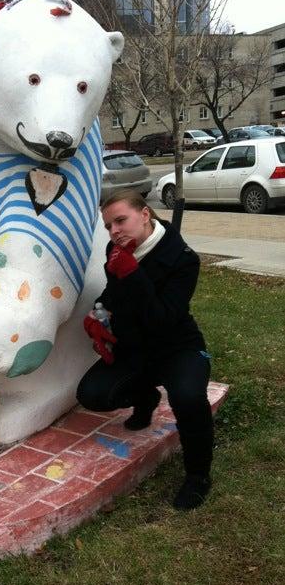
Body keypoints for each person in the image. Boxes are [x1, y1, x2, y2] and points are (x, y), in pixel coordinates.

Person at [77, 190, 214, 510]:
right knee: (92, 394)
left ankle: (198, 477)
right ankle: (147, 397)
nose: (114, 232)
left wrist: (133, 274)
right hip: (134, 348)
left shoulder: (183, 258)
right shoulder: (117, 249)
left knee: (188, 398)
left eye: (121, 220)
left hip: (177, 347)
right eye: (109, 225)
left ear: (145, 215)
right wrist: (99, 315)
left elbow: (162, 318)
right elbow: (113, 294)